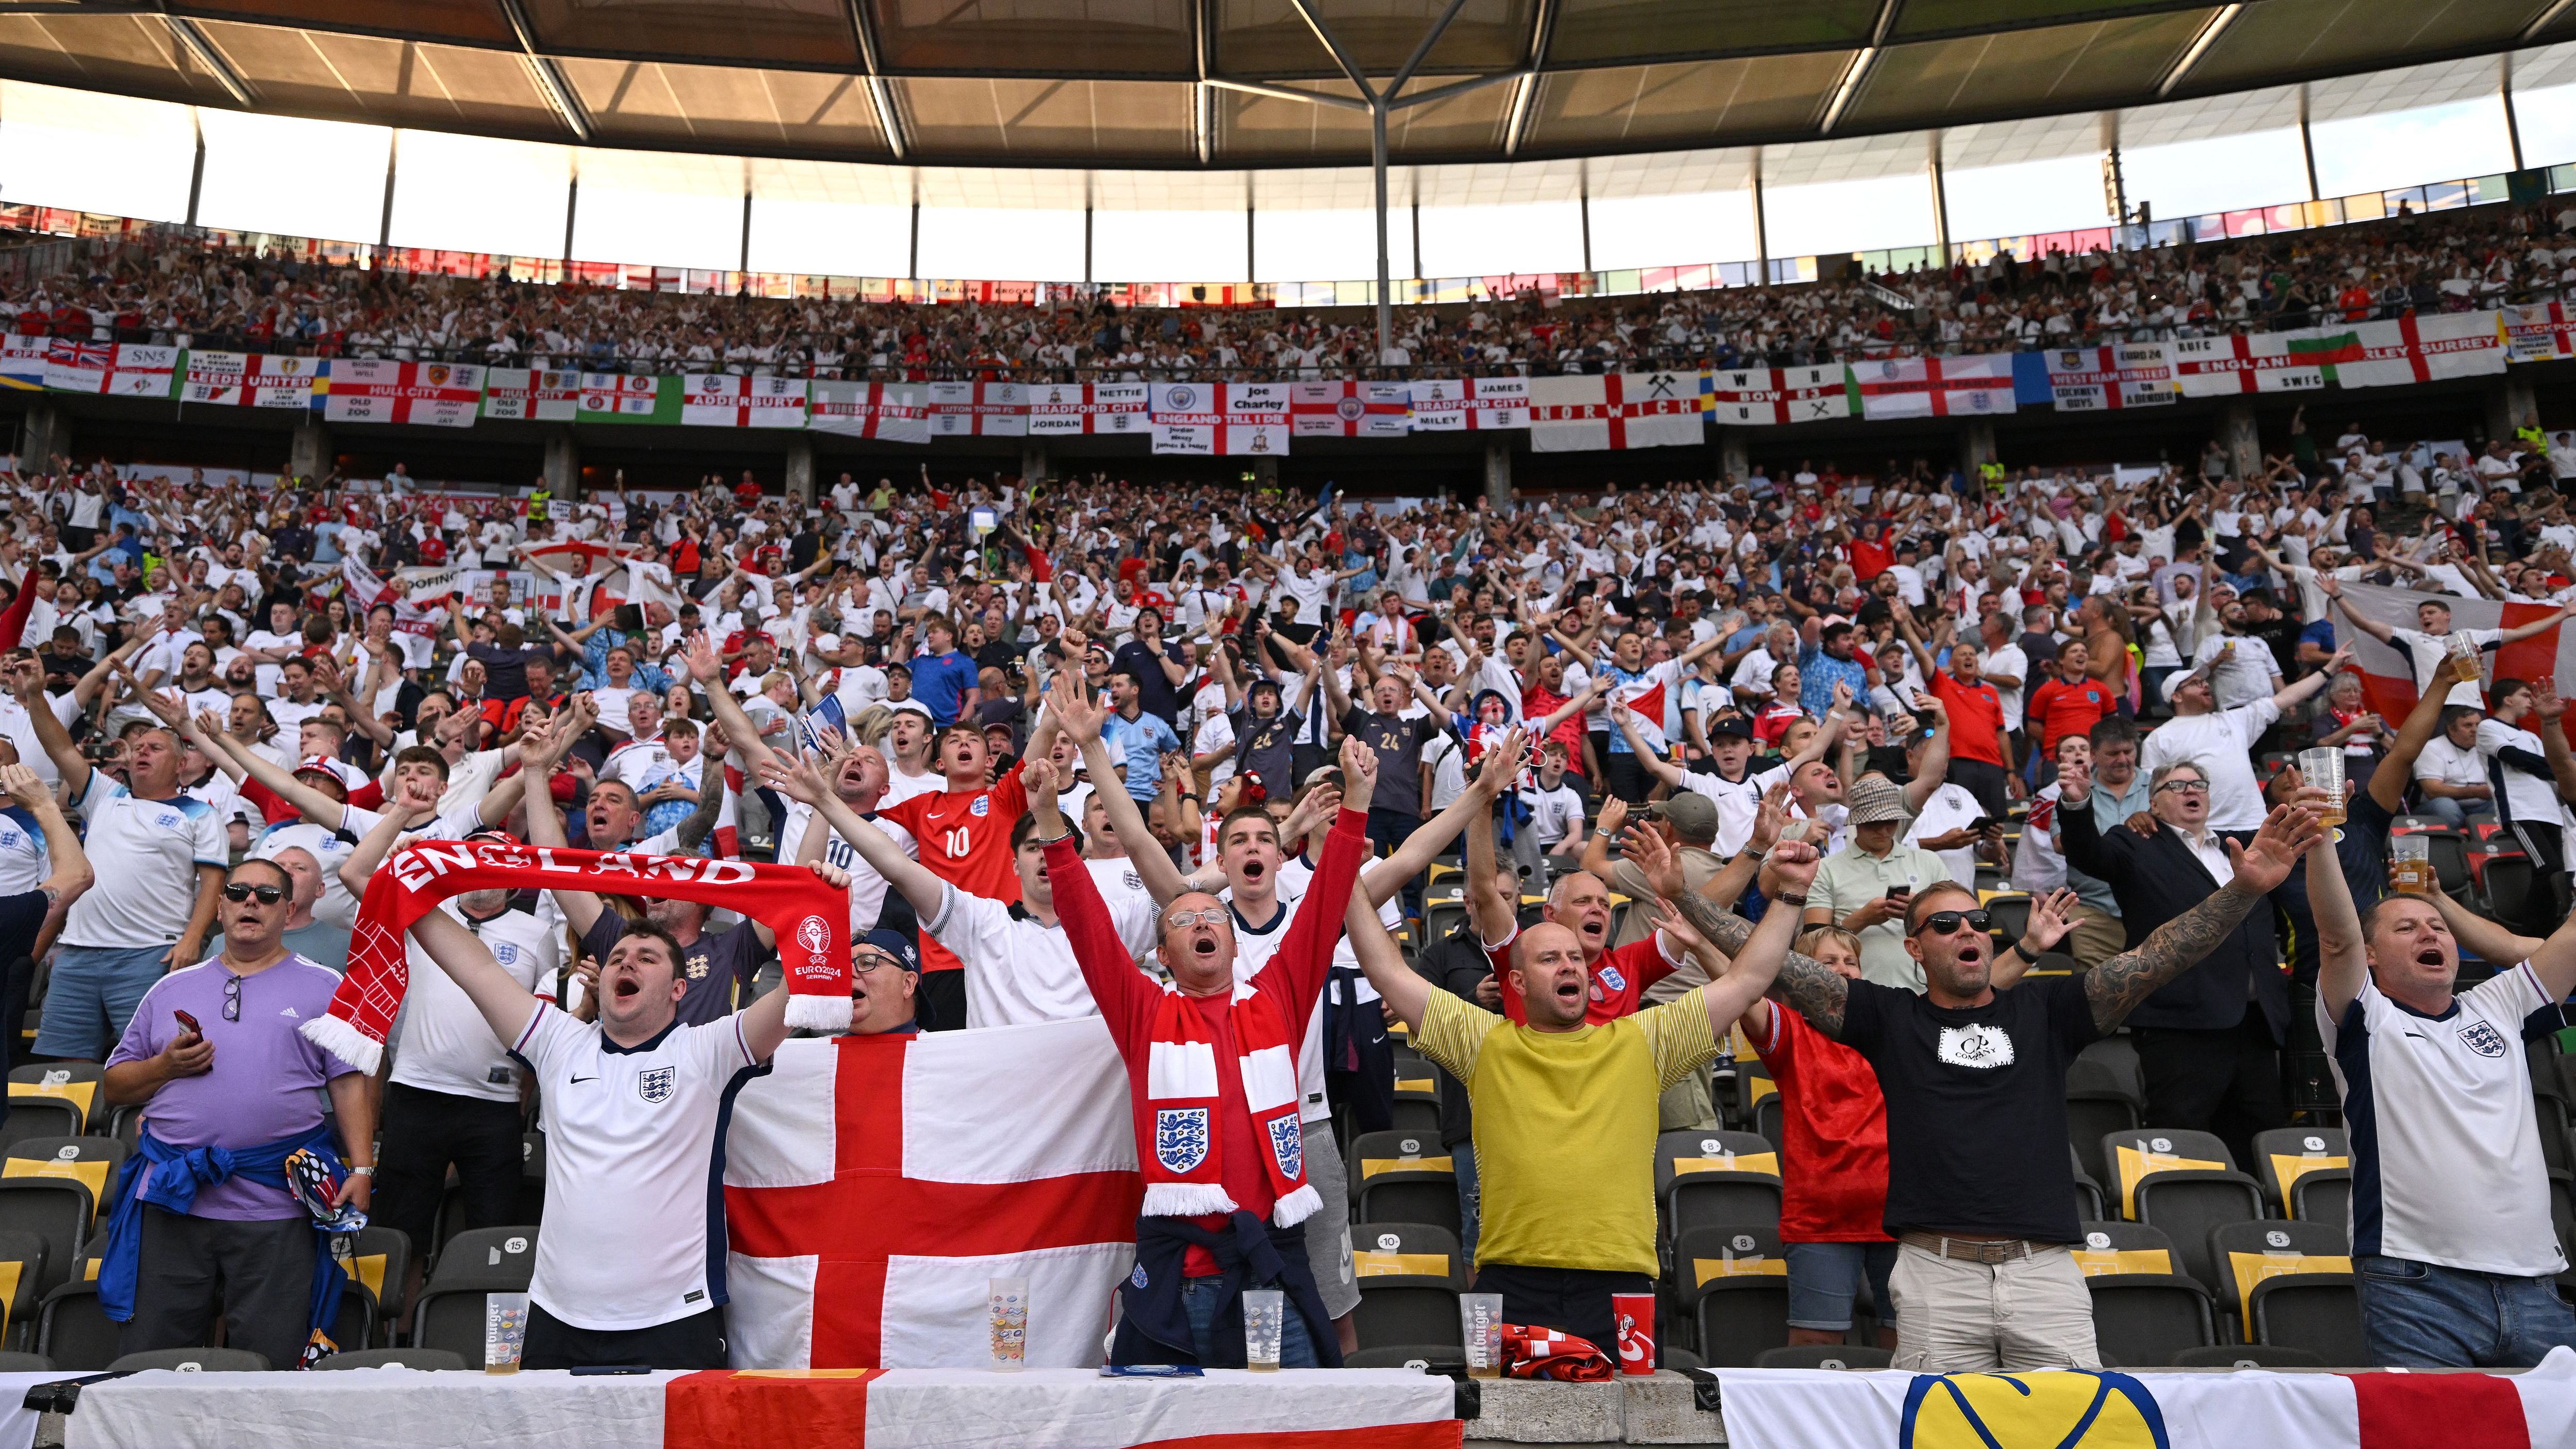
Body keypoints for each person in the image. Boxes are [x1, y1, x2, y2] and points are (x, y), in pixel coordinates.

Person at [1664, 800, 2321, 1371]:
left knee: (2073, 1426)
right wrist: (1687, 897)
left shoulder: (2047, 1011)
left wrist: (2243, 890)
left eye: (1975, 920)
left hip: (2045, 1272)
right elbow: (1769, 961)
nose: (1967, 930)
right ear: (1916, 949)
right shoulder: (1888, 1019)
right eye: (1944, 925)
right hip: (1934, 1273)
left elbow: (2157, 957)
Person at [1340, 802, 1806, 1351]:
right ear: (1515, 978)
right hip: (1512, 1278)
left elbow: (1750, 977)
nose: (1568, 965)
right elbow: (1386, 969)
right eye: (1548, 958)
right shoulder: (1483, 1043)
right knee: (1511, 1432)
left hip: (1622, 1285)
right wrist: (1344, 869)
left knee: (1626, 1431)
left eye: (1575, 959)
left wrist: (1792, 893)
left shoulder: (1642, 1041)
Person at [405, 846, 834, 1369]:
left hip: (674, 1318)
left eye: (647, 958)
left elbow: (803, 989)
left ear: (680, 988)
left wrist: (826, 906)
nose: (626, 961)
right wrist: (412, 880)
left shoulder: (707, 1050)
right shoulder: (558, 1041)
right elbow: (470, 964)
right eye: (616, 958)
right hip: (557, 1315)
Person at [1040, 733, 1376, 1369]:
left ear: (1232, 941)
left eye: (1213, 917)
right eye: (1182, 920)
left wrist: (1356, 804)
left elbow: (1327, 899)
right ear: (1162, 955)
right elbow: (1086, 926)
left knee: (1294, 1431)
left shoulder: (1277, 994)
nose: (1201, 923)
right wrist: (1052, 823)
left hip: (1275, 1264)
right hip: (1184, 1273)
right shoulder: (1144, 1010)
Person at [2308, 795, 2576, 1366]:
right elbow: (2336, 938)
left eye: (2436, 926)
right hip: (2417, 1285)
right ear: (2373, 956)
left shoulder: (2499, 1004)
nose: (2428, 933)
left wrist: (2437, 902)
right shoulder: (2365, 1018)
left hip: (2535, 1285)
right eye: (2405, 927)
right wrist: (2320, 837)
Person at [100, 857, 375, 1370]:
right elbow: (114, 1085)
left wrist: (361, 1168)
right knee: (151, 1359)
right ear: (220, 906)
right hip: (173, 1200)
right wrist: (164, 1066)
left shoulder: (326, 986)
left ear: (289, 909)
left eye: (267, 894)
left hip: (276, 1201)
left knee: (271, 1360)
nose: (252, 901)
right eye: (239, 891)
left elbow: (349, 1080)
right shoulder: (170, 988)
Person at [336, 776, 560, 1315]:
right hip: (416, 1094)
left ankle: (488, 1348)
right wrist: (399, 814)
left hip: (496, 1110)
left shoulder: (537, 934)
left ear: (513, 881)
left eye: (494, 865)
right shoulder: (424, 916)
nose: (481, 874)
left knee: (493, 1237)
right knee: (401, 1234)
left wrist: (523, 1100)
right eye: (471, 862)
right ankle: (398, 1338)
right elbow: (354, 873)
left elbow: (545, 1030)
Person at [2056, 757, 2294, 1168]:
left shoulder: (2243, 847)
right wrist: (2077, 806)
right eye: (2178, 786)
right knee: (2182, 1144)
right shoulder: (2136, 843)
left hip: (2256, 1024)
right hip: (2182, 1025)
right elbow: (2089, 854)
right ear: (2153, 803)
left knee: (2260, 1145)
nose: (2192, 791)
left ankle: (2262, 1228)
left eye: (2199, 784)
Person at [13, 660, 226, 1062]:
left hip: (149, 954)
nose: (143, 752)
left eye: (156, 748)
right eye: (138, 748)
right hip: (77, 953)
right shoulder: (105, 796)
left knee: (151, 1061)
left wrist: (192, 938)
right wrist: (38, 696)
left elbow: (212, 884)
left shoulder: (200, 813)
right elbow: (58, 746)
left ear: (182, 764)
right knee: (63, 1066)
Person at [2141, 647, 2345, 830]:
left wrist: (2330, 668)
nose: (2205, 685)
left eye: (2204, 681)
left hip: (2254, 823)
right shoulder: (2159, 738)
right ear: (2176, 696)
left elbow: (2286, 698)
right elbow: (2149, 789)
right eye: (2195, 683)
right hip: (2201, 829)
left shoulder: (2234, 719)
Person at [2324, 579, 2572, 709]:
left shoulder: (2469, 637)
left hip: (2473, 708)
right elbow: (2366, 624)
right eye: (2422, 615)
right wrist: (2337, 595)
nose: (2425, 618)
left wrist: (2562, 615)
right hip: (2433, 708)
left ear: (2447, 615)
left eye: (2431, 612)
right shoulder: (2411, 638)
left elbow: (2519, 633)